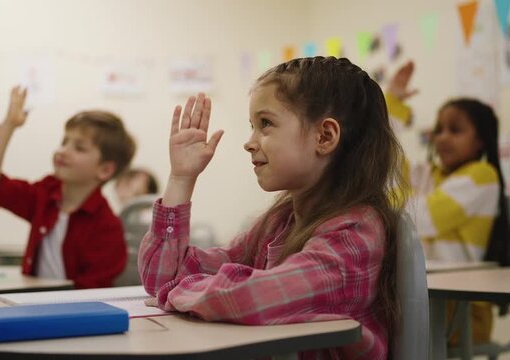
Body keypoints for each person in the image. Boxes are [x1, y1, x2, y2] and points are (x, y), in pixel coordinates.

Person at [138, 56, 407, 359]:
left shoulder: (355, 233)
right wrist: (181, 179)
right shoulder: (280, 223)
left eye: (265, 124)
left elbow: (249, 298)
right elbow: (160, 278)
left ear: (325, 136)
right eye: (252, 126)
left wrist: (179, 291)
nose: (249, 143)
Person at [386, 61, 510, 345]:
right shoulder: (429, 173)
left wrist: (384, 201)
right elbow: (385, 164)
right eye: (439, 129)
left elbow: (418, 217)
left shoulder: (482, 176)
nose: (442, 137)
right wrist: (392, 103)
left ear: (480, 141)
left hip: (461, 311)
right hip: (424, 301)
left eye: (455, 130)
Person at [0, 86, 136, 289]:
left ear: (104, 170)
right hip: (32, 304)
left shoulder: (107, 228)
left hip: (69, 315)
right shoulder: (46, 193)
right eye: (64, 142)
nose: (63, 151)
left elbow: (88, 298)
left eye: (79, 147)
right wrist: (9, 125)